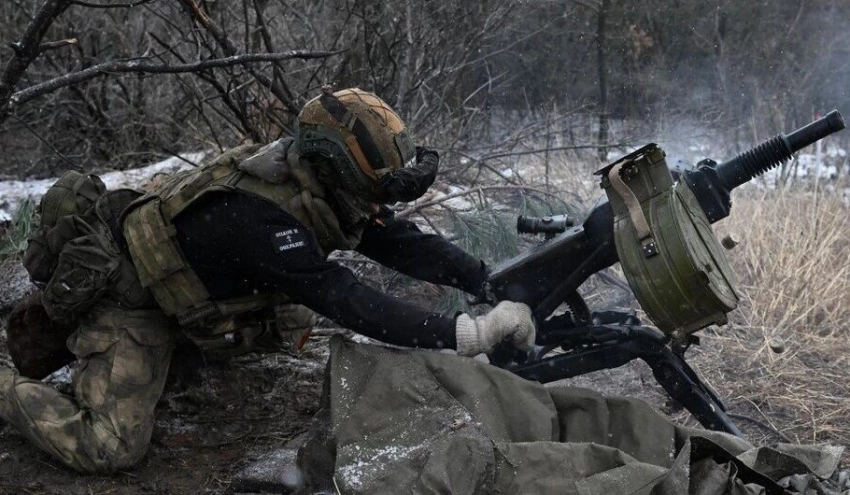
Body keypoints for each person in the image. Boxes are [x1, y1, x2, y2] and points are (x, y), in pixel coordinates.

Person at [0, 87, 535, 473]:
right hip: (130, 298)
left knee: (284, 316)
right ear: (336, 169)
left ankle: (184, 351)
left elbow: (400, 242)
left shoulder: (312, 183)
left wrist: (488, 281)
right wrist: (468, 333)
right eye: (376, 193)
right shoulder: (259, 218)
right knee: (108, 447)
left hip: (196, 286)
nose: (380, 208)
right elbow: (344, 298)